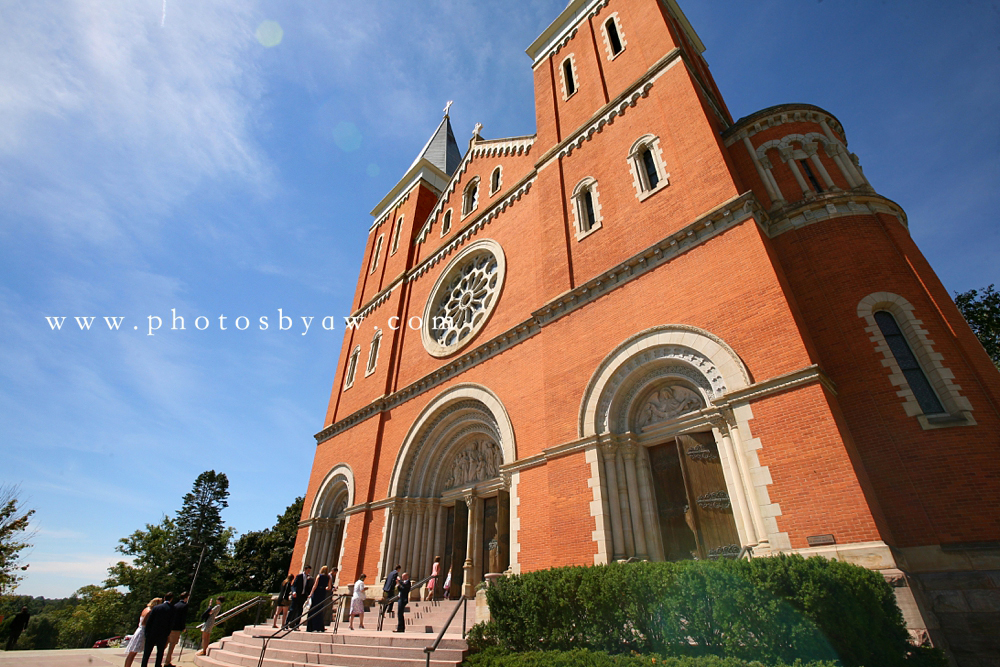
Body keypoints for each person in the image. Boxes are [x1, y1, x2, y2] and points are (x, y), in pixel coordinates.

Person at [124, 598, 159, 667]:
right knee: (133, 652)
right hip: (142, 631)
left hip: (139, 629)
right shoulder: (149, 611)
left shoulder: (145, 609)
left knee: (132, 652)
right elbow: (144, 622)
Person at [141, 592, 174, 667]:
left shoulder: (156, 608)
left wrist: (147, 633)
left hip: (152, 633)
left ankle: (143, 665)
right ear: (171, 599)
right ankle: (157, 665)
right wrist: (167, 633)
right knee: (160, 652)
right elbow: (171, 623)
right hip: (162, 634)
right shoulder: (172, 609)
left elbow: (150, 621)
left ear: (164, 598)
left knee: (147, 653)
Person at [164, 591, 188, 667]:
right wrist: (183, 627)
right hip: (176, 628)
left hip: (170, 627)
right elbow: (183, 618)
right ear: (186, 597)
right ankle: (167, 662)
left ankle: (161, 659)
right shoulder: (185, 606)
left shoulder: (175, 605)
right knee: (172, 645)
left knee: (165, 645)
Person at [306, 565, 333, 632]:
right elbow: (329, 588)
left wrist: (310, 594)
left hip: (317, 593)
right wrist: (324, 588)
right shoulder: (329, 577)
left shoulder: (319, 576)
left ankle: (311, 627)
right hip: (322, 593)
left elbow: (315, 586)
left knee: (313, 609)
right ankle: (319, 627)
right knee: (319, 610)